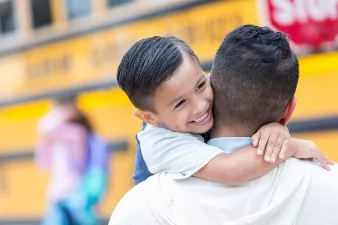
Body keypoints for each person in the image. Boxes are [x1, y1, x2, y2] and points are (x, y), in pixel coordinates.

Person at [109, 25, 338, 225]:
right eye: (180, 103)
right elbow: (233, 170)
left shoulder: (185, 117)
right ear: (150, 118)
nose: (200, 106)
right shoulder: (161, 144)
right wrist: (291, 147)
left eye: (201, 85)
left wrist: (275, 128)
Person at [35, 95, 109, 225]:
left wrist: (49, 130)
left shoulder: (76, 133)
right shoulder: (55, 136)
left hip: (77, 191)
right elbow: (43, 163)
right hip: (59, 193)